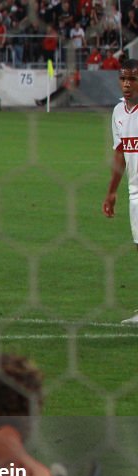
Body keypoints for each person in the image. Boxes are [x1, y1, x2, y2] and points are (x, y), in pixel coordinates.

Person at [102, 59, 138, 324]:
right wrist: (112, 191)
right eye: (124, 78)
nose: (127, 83)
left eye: (133, 78)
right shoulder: (118, 113)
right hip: (134, 192)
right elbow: (120, 154)